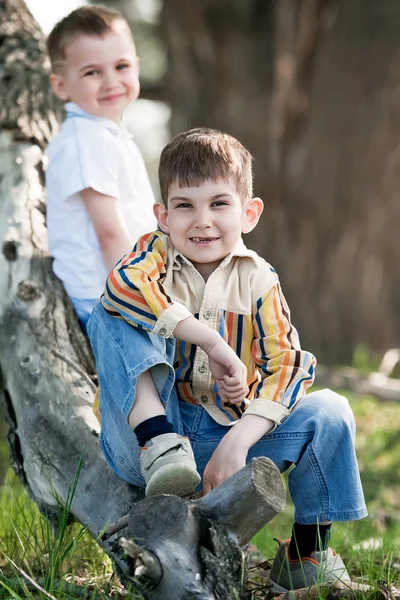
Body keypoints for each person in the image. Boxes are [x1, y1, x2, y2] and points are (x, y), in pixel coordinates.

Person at [87, 128, 367, 591]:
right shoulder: (153, 256)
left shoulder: (258, 279)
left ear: (249, 212)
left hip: (226, 438)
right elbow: (123, 288)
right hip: (150, 439)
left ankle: (308, 554)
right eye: (185, 206)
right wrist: (212, 343)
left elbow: (289, 365)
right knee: (111, 308)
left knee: (331, 411)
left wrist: (238, 440)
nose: (202, 221)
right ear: (163, 215)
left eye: (219, 204)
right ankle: (158, 442)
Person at [45, 5, 156, 330]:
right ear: (62, 86)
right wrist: (140, 302)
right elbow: (109, 233)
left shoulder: (103, 134)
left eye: (121, 66)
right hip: (109, 301)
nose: (111, 82)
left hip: (119, 290)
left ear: (136, 67)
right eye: (93, 72)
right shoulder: (86, 140)